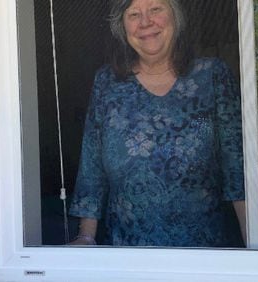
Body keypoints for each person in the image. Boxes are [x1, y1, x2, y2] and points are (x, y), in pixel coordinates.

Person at [68, 0, 245, 247]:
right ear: (122, 26)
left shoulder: (212, 76)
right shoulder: (107, 83)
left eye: (155, 9)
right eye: (134, 14)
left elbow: (237, 167)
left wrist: (256, 248)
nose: (145, 22)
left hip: (202, 256)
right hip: (126, 255)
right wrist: (86, 236)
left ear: (176, 16)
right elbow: (92, 166)